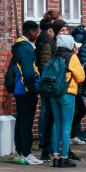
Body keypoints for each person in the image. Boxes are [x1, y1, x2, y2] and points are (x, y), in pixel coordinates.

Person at [50, 32, 85, 168]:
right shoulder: (72, 58)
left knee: (57, 125)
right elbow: (81, 77)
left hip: (54, 94)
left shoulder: (54, 57)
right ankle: (64, 156)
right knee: (66, 126)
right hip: (67, 94)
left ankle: (55, 156)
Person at [10, 20, 42, 165]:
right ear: (31, 32)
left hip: (19, 89)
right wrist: (33, 88)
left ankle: (20, 149)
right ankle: (26, 152)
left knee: (21, 119)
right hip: (26, 89)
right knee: (26, 122)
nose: (38, 34)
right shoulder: (26, 49)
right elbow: (29, 72)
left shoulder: (19, 47)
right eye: (37, 32)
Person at [35, 20, 55, 160]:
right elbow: (45, 64)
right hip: (46, 83)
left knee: (46, 111)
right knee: (46, 112)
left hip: (44, 82)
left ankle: (45, 143)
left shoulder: (41, 42)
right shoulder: (46, 44)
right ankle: (45, 143)